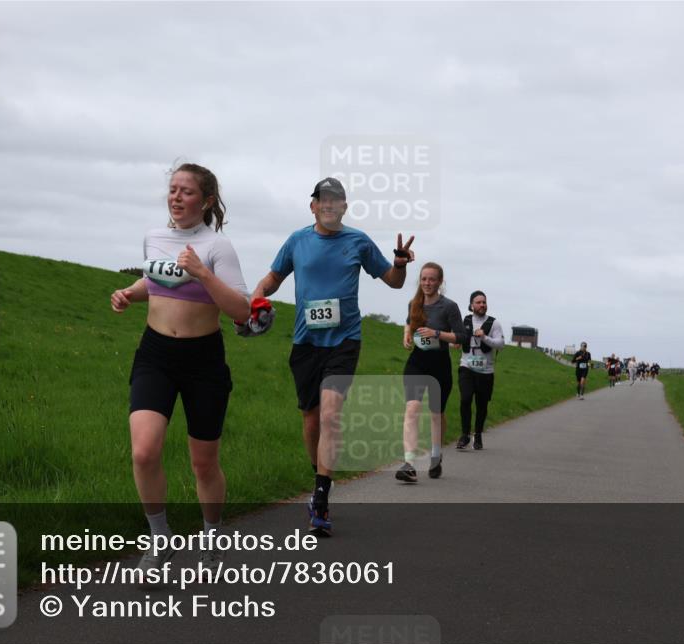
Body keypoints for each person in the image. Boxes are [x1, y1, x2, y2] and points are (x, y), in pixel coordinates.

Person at [111, 162, 251, 579]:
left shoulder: (217, 247)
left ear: (206, 201)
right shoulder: (154, 237)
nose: (176, 197)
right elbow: (154, 282)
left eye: (186, 191)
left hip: (202, 360)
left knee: (203, 464)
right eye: (172, 190)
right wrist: (128, 293)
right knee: (144, 450)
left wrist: (204, 273)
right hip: (155, 353)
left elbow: (241, 310)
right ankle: (160, 541)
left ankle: (211, 540)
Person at [252, 177, 414, 535]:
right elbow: (273, 279)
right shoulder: (297, 241)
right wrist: (257, 297)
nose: (328, 206)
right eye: (321, 200)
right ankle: (320, 478)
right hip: (306, 342)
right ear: (312, 206)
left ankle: (321, 502)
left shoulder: (357, 241)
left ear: (344, 207)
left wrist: (400, 264)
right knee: (311, 421)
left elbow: (393, 281)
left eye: (335, 201)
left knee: (330, 414)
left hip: (345, 341)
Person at [396, 263, 466, 483]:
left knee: (436, 414)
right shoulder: (413, 303)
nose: (427, 283)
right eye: (424, 279)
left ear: (440, 281)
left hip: (439, 364)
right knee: (412, 409)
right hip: (417, 362)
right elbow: (409, 324)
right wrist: (406, 335)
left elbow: (462, 337)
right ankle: (409, 463)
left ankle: (436, 456)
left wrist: (437, 333)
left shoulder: (449, 307)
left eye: (432, 279)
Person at [455, 290, 505, 451]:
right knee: (465, 399)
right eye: (478, 302)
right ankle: (464, 435)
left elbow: (501, 345)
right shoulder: (465, 321)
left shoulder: (494, 323)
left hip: (485, 371)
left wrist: (484, 337)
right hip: (466, 367)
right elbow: (456, 338)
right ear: (471, 305)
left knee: (481, 405)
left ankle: (478, 435)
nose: (482, 305)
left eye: (484, 302)